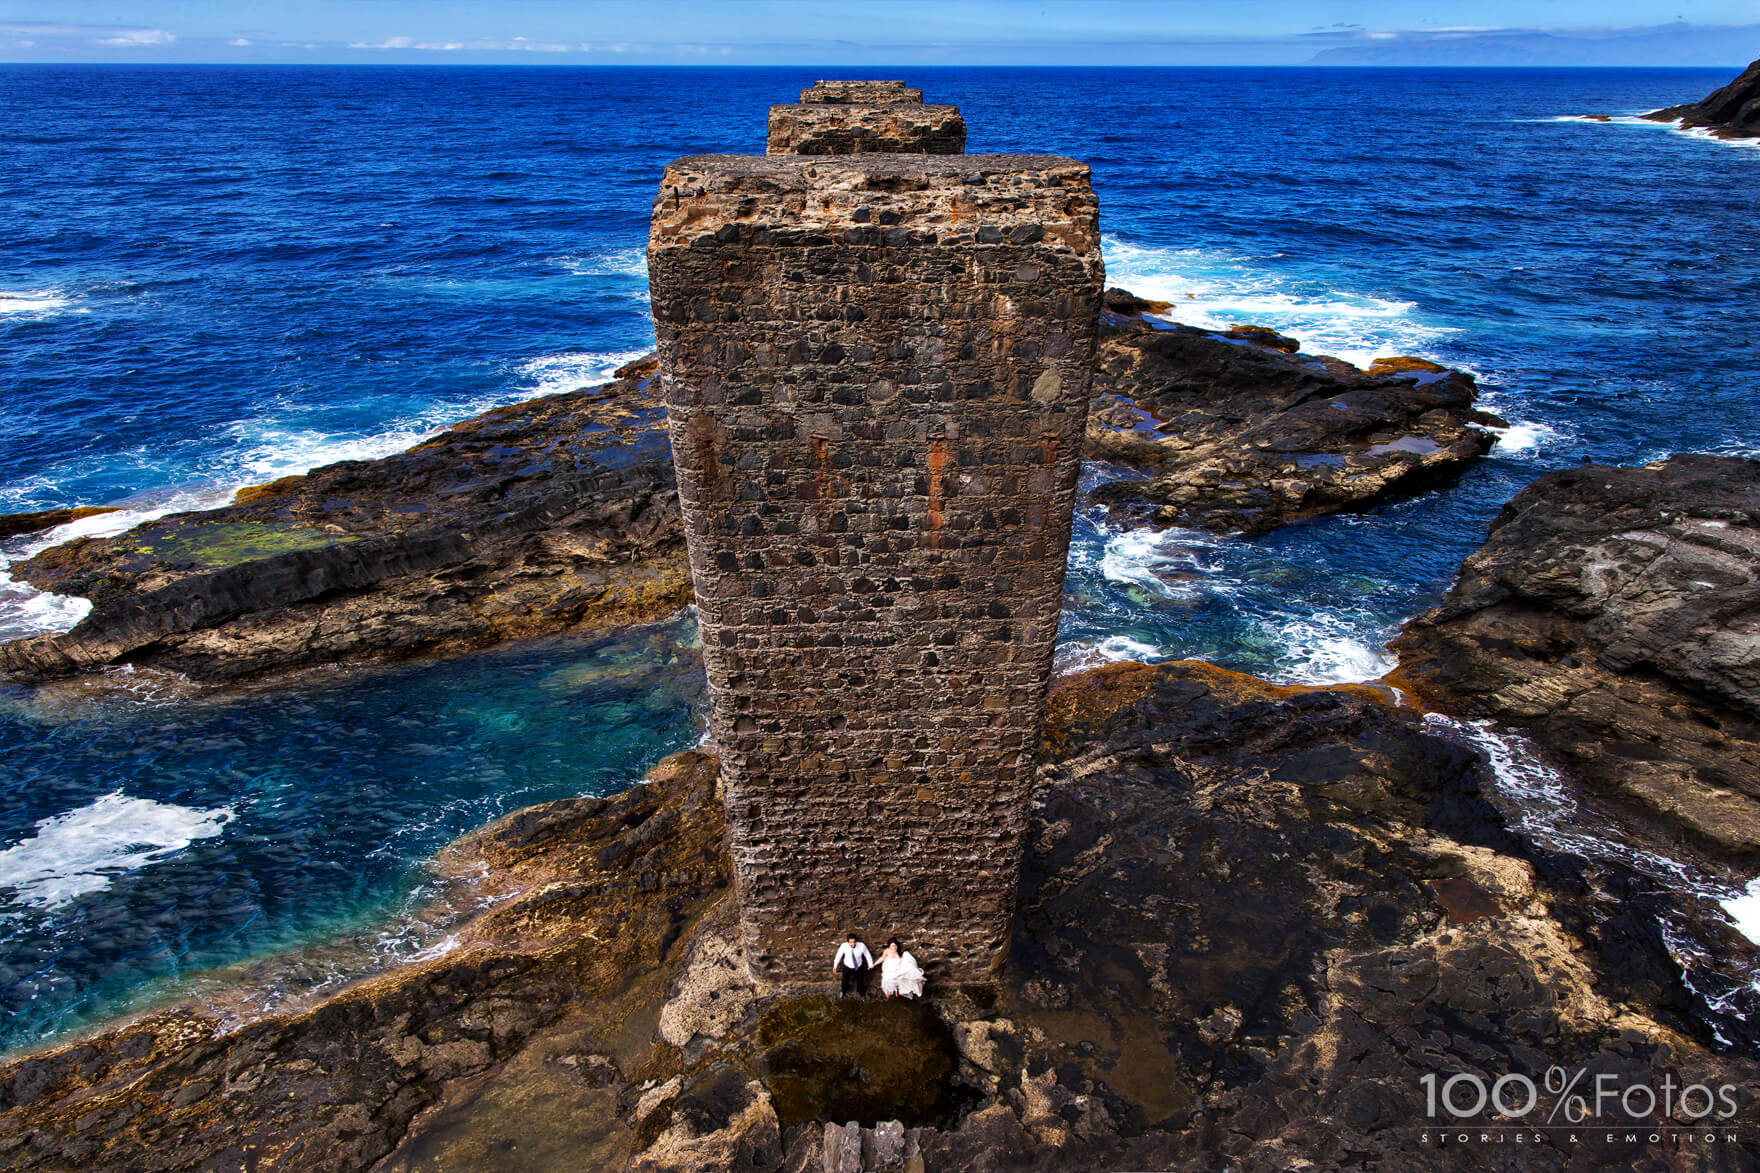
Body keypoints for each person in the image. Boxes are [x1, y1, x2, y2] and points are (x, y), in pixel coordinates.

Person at [831, 933, 874, 998]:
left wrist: (870, 964)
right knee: (845, 980)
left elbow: (867, 955)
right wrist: (835, 965)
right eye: (851, 942)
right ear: (848, 942)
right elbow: (838, 956)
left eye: (854, 942)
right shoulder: (844, 946)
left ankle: (861, 993)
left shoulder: (861, 946)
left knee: (860, 981)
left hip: (858, 966)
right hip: (847, 966)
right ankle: (843, 991)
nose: (853, 944)